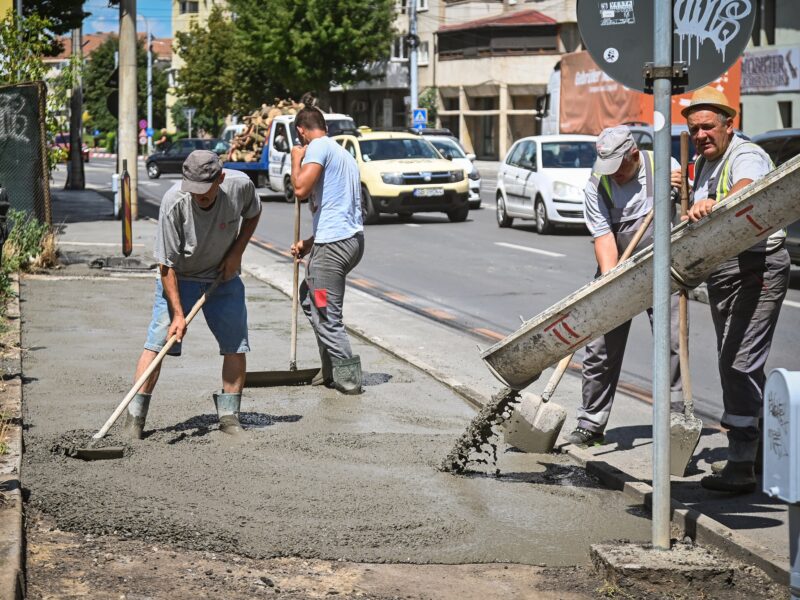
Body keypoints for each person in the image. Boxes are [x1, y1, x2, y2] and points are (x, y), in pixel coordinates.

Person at [676, 86, 790, 493]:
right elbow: (696, 211)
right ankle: (761, 452)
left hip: (755, 268)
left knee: (738, 362)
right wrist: (687, 195)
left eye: (709, 127)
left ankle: (741, 464)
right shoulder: (705, 162)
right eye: (694, 130)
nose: (702, 135)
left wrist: (716, 202)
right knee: (736, 361)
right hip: (725, 270)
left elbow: (746, 188)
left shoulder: (746, 154)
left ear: (729, 124)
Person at [122, 150, 261, 438]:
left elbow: (253, 213)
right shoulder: (174, 202)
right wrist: (177, 312)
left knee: (236, 343)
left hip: (223, 278)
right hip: (179, 276)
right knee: (158, 342)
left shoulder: (240, 186)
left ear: (220, 179)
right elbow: (166, 265)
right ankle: (134, 421)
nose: (198, 196)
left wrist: (237, 252)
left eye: (204, 191)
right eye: (193, 190)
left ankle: (229, 417)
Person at [566, 126, 683, 446]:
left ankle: (674, 420)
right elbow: (604, 239)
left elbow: (685, 215)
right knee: (600, 346)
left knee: (672, 343)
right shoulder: (596, 183)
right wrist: (612, 284)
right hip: (618, 266)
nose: (612, 175)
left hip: (663, 268)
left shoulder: (665, 166)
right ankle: (591, 421)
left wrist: (680, 188)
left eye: (618, 168)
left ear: (634, 156)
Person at [289, 107, 365, 395]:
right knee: (310, 298)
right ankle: (331, 367)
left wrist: (297, 160)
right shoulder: (343, 153)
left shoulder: (318, 147)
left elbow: (300, 189)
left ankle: (349, 380)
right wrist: (309, 243)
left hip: (333, 249)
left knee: (327, 313)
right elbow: (336, 209)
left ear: (301, 131)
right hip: (349, 241)